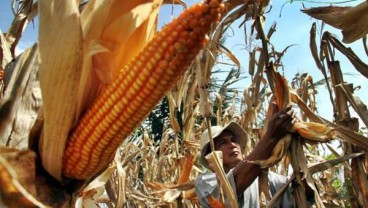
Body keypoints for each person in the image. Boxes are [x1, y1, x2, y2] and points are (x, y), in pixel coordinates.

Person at [195, 104, 312, 207]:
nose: (232, 145)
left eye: (233, 140)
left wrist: (303, 174)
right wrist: (272, 136)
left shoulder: (269, 179)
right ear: (211, 155)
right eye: (223, 143)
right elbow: (231, 187)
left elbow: (302, 197)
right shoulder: (205, 182)